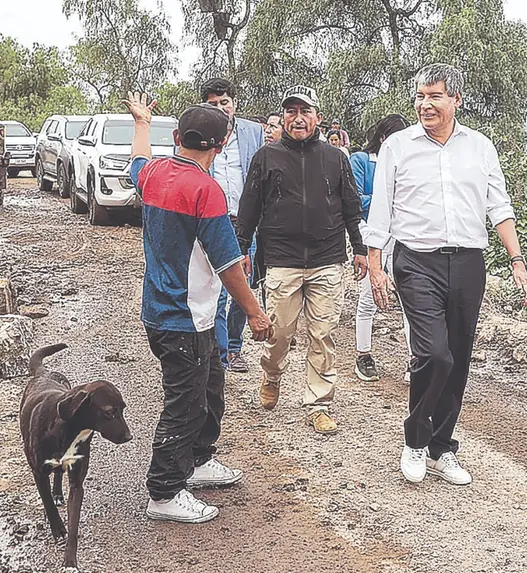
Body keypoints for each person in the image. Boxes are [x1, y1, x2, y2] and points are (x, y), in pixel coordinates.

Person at [366, 63, 527, 486]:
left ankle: (441, 448)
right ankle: (415, 440)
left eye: (435, 96)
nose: (425, 105)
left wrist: (516, 259)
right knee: (434, 353)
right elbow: (380, 209)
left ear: (456, 100)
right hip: (416, 261)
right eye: (420, 97)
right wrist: (375, 265)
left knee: (457, 358)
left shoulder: (480, 147)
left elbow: (499, 206)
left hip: (469, 263)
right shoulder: (398, 147)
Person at [123, 92, 273, 523]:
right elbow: (228, 265)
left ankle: (199, 459)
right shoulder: (206, 191)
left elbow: (137, 161)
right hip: (183, 318)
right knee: (185, 403)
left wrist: (141, 123)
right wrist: (255, 313)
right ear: (221, 145)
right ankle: (164, 491)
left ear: (176, 137)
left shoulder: (154, 174)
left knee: (209, 389)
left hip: (171, 313)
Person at [236, 85, 368, 434]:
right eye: (291, 112)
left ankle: (318, 404)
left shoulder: (336, 158)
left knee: (322, 335)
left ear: (317, 118)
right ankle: (272, 375)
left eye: (305, 111)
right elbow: (249, 208)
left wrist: (359, 249)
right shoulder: (266, 157)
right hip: (282, 260)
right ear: (283, 118)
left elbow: (351, 207)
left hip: (327, 259)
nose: (298, 118)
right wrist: (241, 249)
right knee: (279, 333)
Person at [200, 78, 266, 373]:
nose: (220, 108)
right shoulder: (200, 132)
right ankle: (220, 352)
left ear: (234, 104)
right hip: (213, 222)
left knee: (245, 288)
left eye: (224, 102)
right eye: (213, 104)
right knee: (217, 289)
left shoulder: (253, 132)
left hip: (245, 223)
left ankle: (235, 347)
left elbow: (261, 176)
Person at [350, 113, 411, 382]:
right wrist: (385, 201)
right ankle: (363, 354)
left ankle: (414, 358)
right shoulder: (362, 161)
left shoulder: (408, 164)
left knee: (411, 299)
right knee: (368, 297)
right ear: (384, 138)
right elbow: (354, 199)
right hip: (371, 235)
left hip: (402, 236)